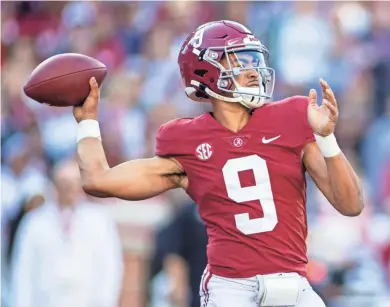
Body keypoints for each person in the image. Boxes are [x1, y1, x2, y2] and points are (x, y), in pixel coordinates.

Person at [74, 20, 363, 307]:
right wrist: (87, 122)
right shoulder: (187, 141)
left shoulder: (292, 117)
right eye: (241, 61)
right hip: (232, 290)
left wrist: (326, 139)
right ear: (206, 71)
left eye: (255, 60)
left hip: (294, 285)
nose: (254, 71)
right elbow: (97, 180)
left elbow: (351, 205)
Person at [11, 159, 123, 307]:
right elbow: (23, 271)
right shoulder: (35, 222)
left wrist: (105, 302)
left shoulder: (99, 220)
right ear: (54, 184)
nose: (69, 188)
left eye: (74, 182)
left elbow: (110, 267)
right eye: (64, 182)